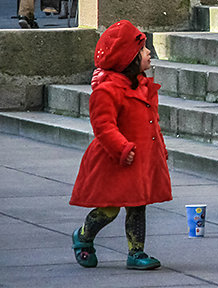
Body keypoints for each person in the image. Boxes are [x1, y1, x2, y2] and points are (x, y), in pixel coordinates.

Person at [69, 20, 171, 270]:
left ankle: (136, 252)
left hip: (139, 159)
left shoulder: (142, 87)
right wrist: (122, 148)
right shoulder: (108, 90)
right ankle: (83, 236)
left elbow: (152, 123)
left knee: (138, 206)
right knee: (110, 209)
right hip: (117, 161)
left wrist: (160, 148)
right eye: (143, 49)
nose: (148, 53)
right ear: (128, 59)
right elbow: (103, 126)